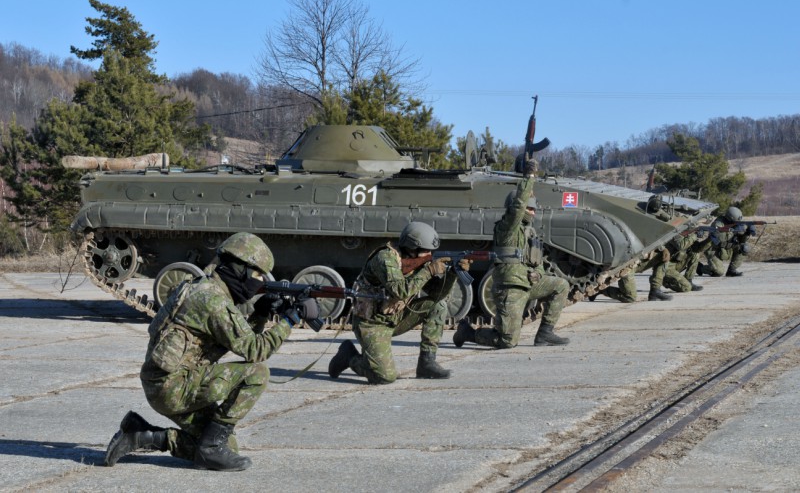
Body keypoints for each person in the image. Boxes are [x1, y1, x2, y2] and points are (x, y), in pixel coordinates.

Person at [104, 232, 318, 471]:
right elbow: (256, 350)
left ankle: (142, 435)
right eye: (257, 275)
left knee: (229, 447)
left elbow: (235, 340)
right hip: (173, 388)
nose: (258, 282)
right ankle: (211, 449)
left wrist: (261, 313)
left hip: (166, 383)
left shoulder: (199, 287)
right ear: (240, 270)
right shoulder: (213, 301)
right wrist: (290, 321)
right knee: (256, 373)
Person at [453, 158, 570, 349]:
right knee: (507, 341)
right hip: (511, 288)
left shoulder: (529, 232)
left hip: (528, 283)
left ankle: (545, 333)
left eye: (533, 209)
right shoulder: (507, 228)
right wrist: (529, 177)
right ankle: (469, 333)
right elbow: (518, 207)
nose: (532, 212)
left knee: (561, 285)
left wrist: (538, 274)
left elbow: (538, 261)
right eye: (529, 208)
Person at [328, 221, 466, 384]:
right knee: (384, 377)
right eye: (426, 251)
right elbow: (401, 291)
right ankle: (349, 357)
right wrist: (429, 271)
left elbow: (437, 294)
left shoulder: (419, 262)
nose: (429, 254)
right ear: (412, 247)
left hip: (396, 317)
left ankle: (426, 363)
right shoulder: (385, 258)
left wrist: (453, 274)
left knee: (438, 305)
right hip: (371, 323)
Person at [697, 206, 754, 277]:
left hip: (727, 247)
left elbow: (742, 240)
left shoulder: (736, 223)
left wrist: (746, 233)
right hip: (715, 250)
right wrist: (735, 231)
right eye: (735, 222)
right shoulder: (718, 223)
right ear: (730, 219)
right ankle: (700, 268)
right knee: (718, 272)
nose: (737, 223)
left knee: (745, 247)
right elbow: (721, 238)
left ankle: (731, 270)